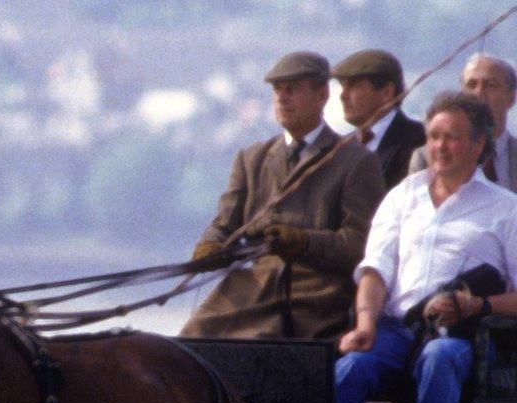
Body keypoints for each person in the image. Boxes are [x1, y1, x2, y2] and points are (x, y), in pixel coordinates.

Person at [335, 91, 517, 403]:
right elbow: (375, 270)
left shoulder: (505, 209)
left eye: (451, 138)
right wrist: (364, 324)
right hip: (397, 327)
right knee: (351, 367)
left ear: (479, 144)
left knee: (438, 358)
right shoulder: (403, 197)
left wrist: (477, 305)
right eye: (433, 136)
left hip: (462, 336)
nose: (439, 146)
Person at [181, 51, 386, 339]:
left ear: (322, 95)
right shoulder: (251, 159)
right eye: (277, 90)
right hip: (248, 288)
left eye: (293, 90)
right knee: (188, 343)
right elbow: (224, 224)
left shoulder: (356, 161)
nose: (282, 98)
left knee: (257, 344)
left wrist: (303, 243)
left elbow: (360, 245)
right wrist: (210, 248)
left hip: (315, 296)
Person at [409, 54, 517, 192]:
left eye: (490, 85)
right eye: (471, 85)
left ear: (512, 97)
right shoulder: (429, 157)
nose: (479, 93)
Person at [333, 49, 426, 189]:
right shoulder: (339, 148)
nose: (343, 96)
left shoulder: (420, 139)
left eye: (353, 86)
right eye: (342, 86)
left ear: (386, 92)